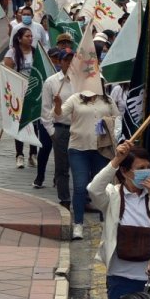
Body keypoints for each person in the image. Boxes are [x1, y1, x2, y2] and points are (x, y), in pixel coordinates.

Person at [88, 141, 150, 299]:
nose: (145, 172)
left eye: (147, 167)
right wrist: (116, 160)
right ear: (125, 171)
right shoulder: (112, 195)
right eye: (140, 168)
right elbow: (94, 189)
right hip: (120, 276)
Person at [55, 89, 120, 240]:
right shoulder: (74, 99)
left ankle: (105, 222)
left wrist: (109, 125)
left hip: (101, 150)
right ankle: (78, 224)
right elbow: (58, 115)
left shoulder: (107, 100)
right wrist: (57, 104)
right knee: (80, 186)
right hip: (78, 149)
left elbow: (118, 118)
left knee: (102, 187)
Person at [34, 46, 73, 192]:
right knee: (46, 150)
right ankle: (41, 176)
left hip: (76, 129)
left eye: (72, 60)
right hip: (57, 127)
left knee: (68, 162)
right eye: (66, 60)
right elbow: (45, 109)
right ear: (60, 62)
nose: (69, 64)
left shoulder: (81, 81)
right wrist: (52, 132)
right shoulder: (51, 82)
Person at [4, 25, 38, 170]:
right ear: (19, 38)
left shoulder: (36, 52)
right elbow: (7, 74)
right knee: (19, 125)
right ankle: (19, 155)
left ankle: (33, 154)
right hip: (18, 95)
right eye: (27, 36)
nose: (30, 39)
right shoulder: (12, 53)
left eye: (31, 36)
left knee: (34, 124)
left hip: (33, 94)